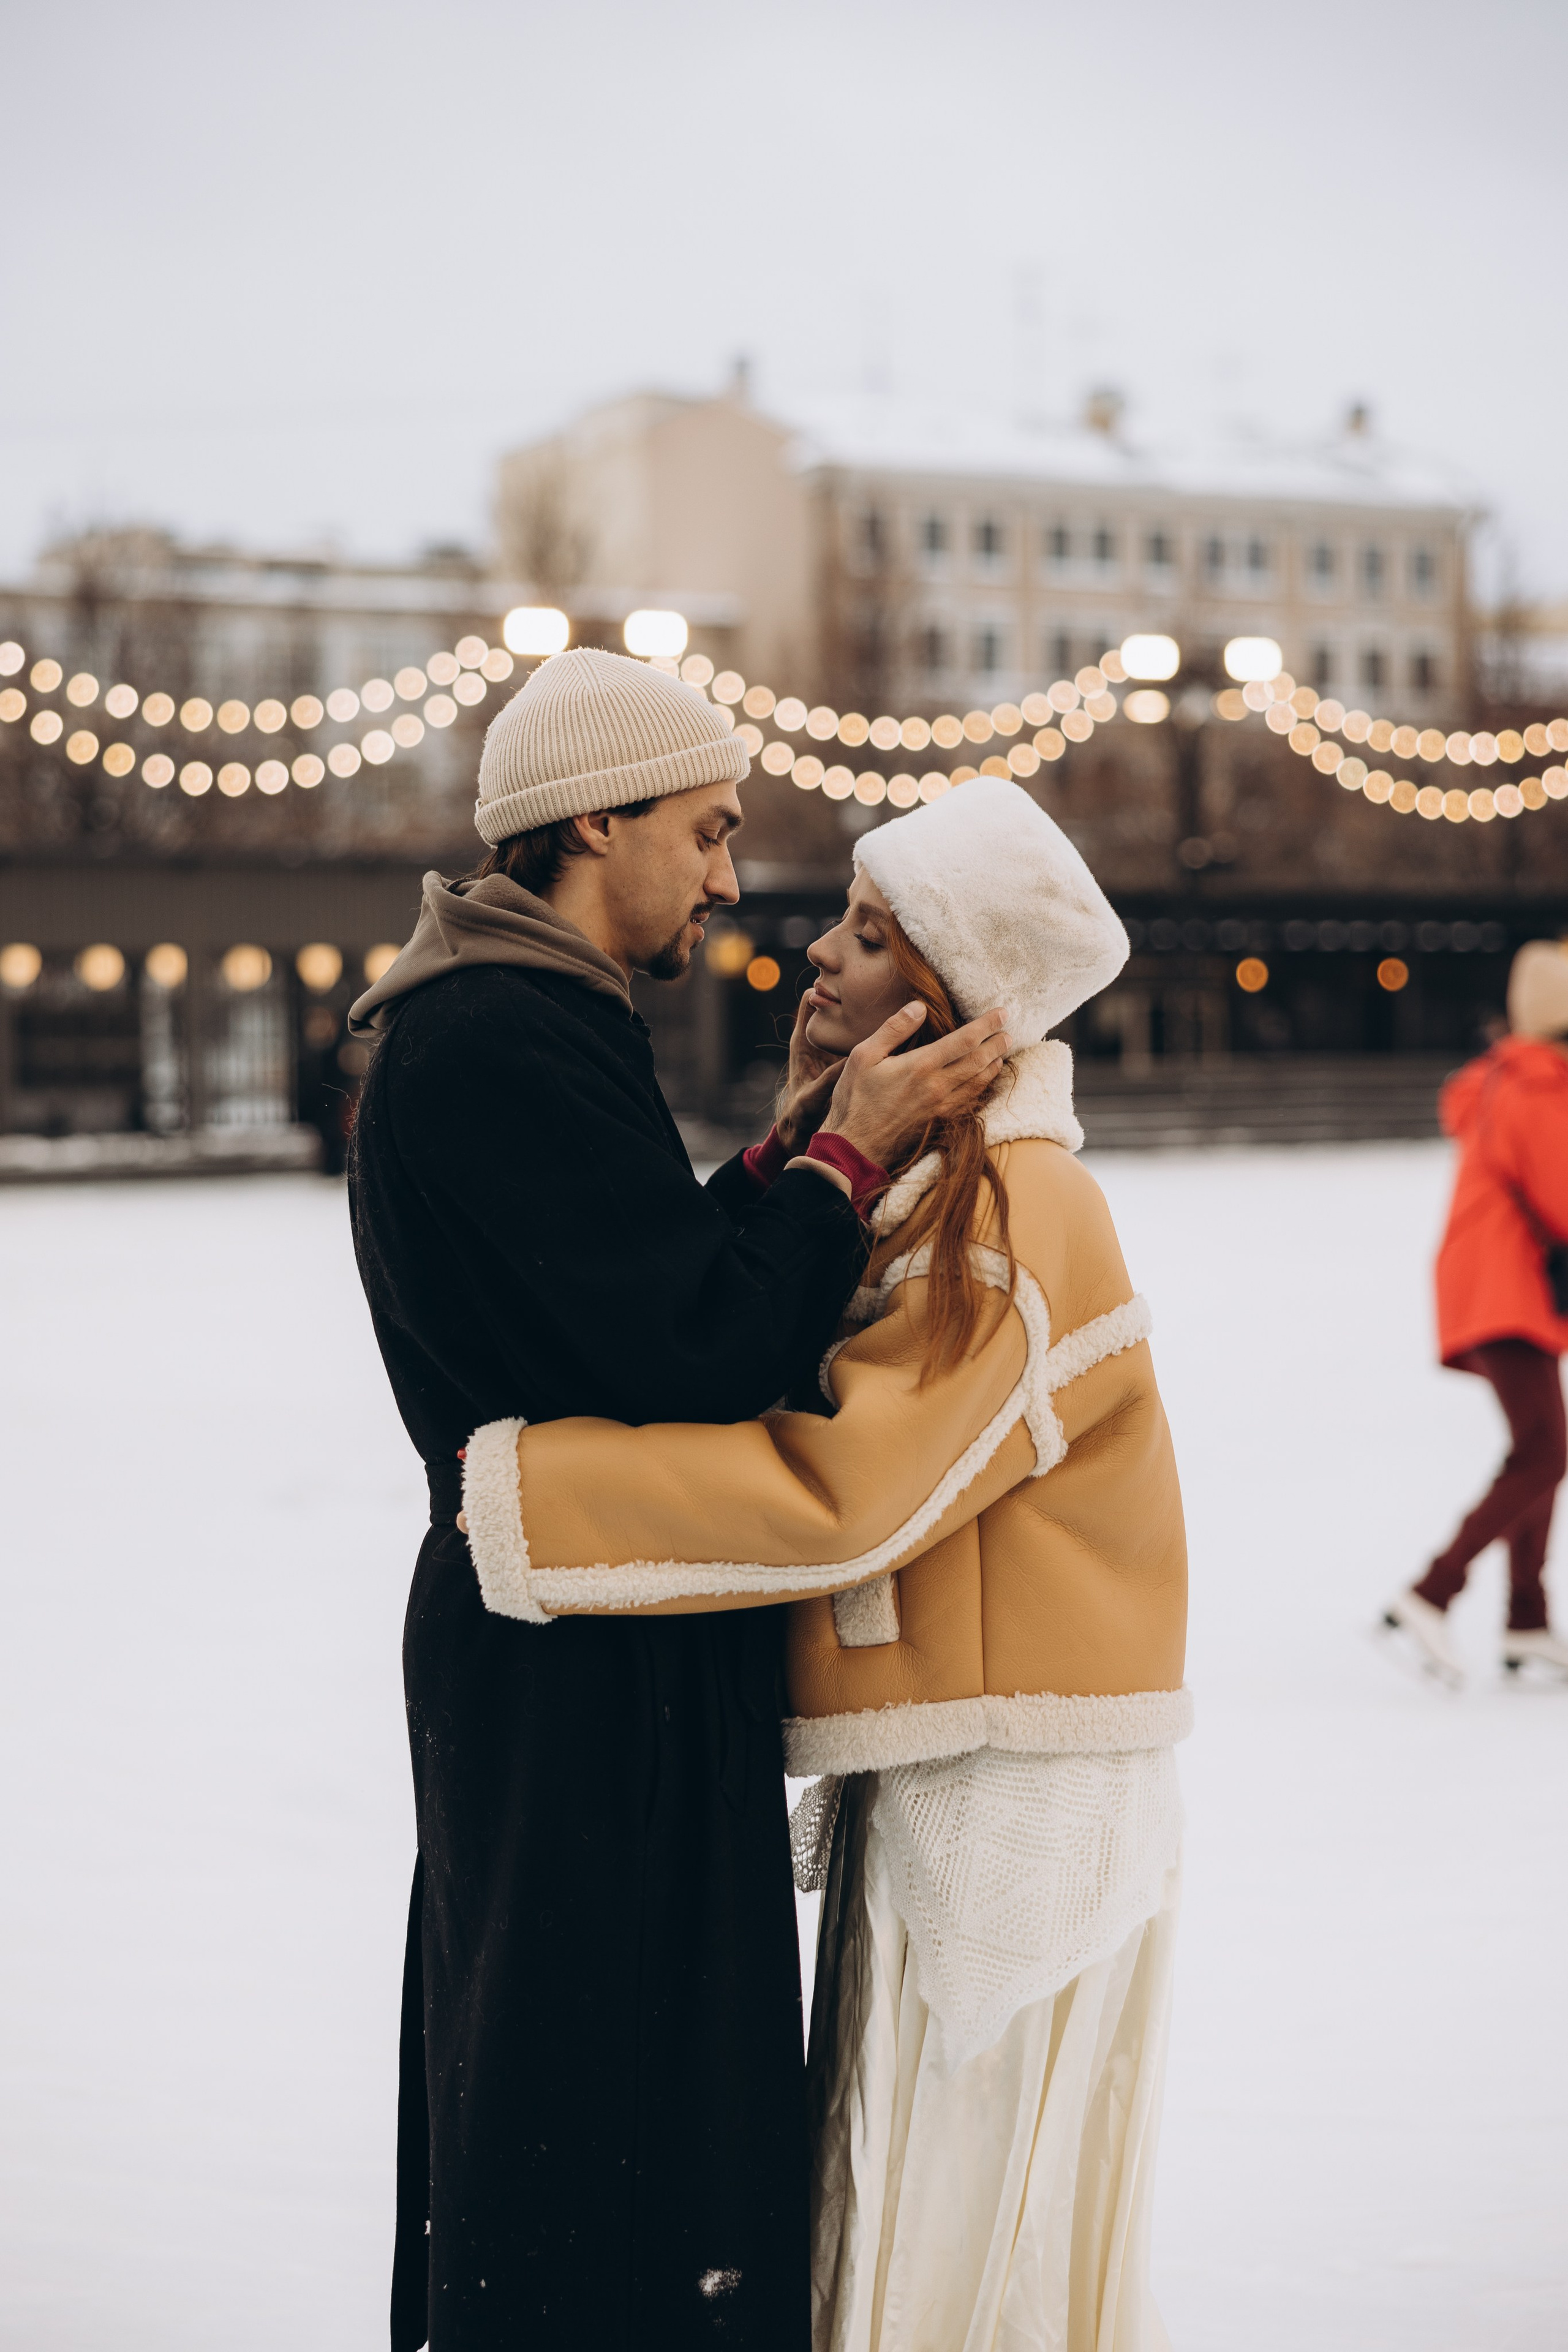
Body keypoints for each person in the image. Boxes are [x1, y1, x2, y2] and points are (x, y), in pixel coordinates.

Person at [462, 777, 1191, 2352]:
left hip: (1017, 1794)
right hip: (934, 1760)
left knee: (953, 2217)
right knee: (878, 2198)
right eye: (838, 922)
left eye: (872, 937)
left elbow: (848, 1490)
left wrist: (528, 1487)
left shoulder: (1025, 1204)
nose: (815, 956)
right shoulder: (923, 1194)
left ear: (958, 1006)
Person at [345, 646, 1008, 2352]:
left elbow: (626, 1287)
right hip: (579, 1645)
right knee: (604, 2112)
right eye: (707, 831)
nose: (728, 878)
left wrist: (790, 1153)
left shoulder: (520, 1016)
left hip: (584, 1631)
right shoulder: (500, 1032)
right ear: (598, 819)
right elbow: (698, 1344)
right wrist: (850, 1162)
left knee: (584, 2087)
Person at [1384, 940, 1568, 1687]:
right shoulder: (1538, 1086)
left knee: (1539, 1449)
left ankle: (1526, 1619)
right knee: (1544, 1452)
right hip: (1508, 1287)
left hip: (1495, 1284)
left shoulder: (1502, 1078)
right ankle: (1432, 1592)